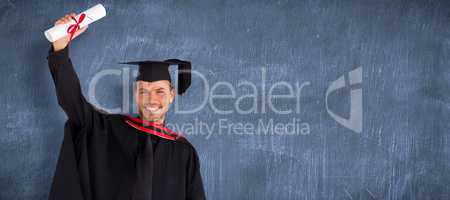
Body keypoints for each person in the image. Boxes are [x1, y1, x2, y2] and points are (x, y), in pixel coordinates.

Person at [47, 13, 206, 200]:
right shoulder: (105, 129)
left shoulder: (184, 154)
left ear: (172, 95)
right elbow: (71, 101)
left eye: (160, 91)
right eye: (143, 91)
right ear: (134, 94)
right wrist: (60, 48)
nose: (151, 99)